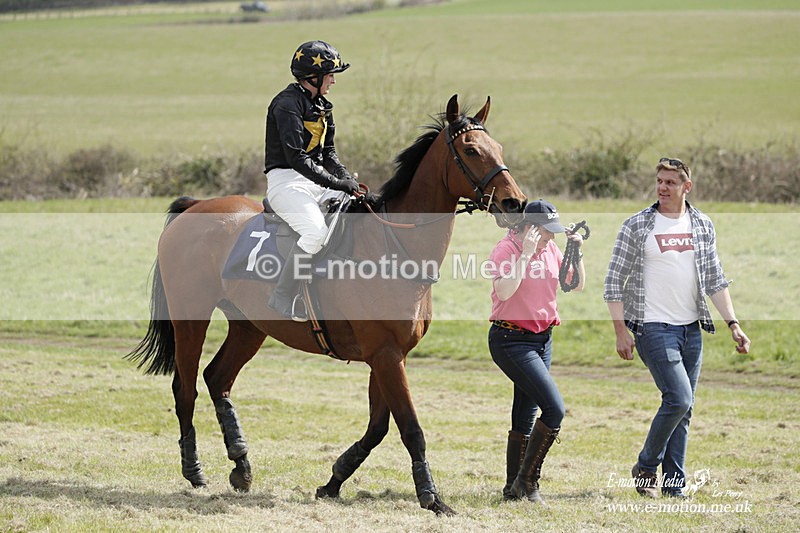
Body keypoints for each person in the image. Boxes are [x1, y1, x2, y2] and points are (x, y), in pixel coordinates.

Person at [604, 157, 751, 498]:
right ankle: (645, 465)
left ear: (687, 186)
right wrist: (620, 331)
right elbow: (613, 282)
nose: (662, 187)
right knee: (679, 398)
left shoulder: (701, 224)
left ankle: (674, 487)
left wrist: (733, 324)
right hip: (653, 328)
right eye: (659, 181)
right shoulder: (638, 225)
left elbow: (715, 279)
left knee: (684, 409)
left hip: (691, 330)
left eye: (671, 182)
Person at [487, 199, 585, 503]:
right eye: (546, 231)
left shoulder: (551, 249)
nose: (551, 237)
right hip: (510, 340)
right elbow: (504, 291)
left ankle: (512, 490)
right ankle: (528, 483)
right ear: (529, 228)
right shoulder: (506, 250)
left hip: (542, 339)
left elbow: (576, 285)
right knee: (554, 409)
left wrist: (576, 251)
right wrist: (526, 255)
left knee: (526, 413)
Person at [263, 40, 359, 318]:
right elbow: (296, 158)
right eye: (330, 75)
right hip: (286, 182)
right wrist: (336, 183)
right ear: (312, 77)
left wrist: (345, 179)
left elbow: (328, 152)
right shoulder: (286, 104)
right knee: (315, 233)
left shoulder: (321, 105)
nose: (333, 81)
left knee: (357, 211)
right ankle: (282, 295)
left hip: (315, 180)